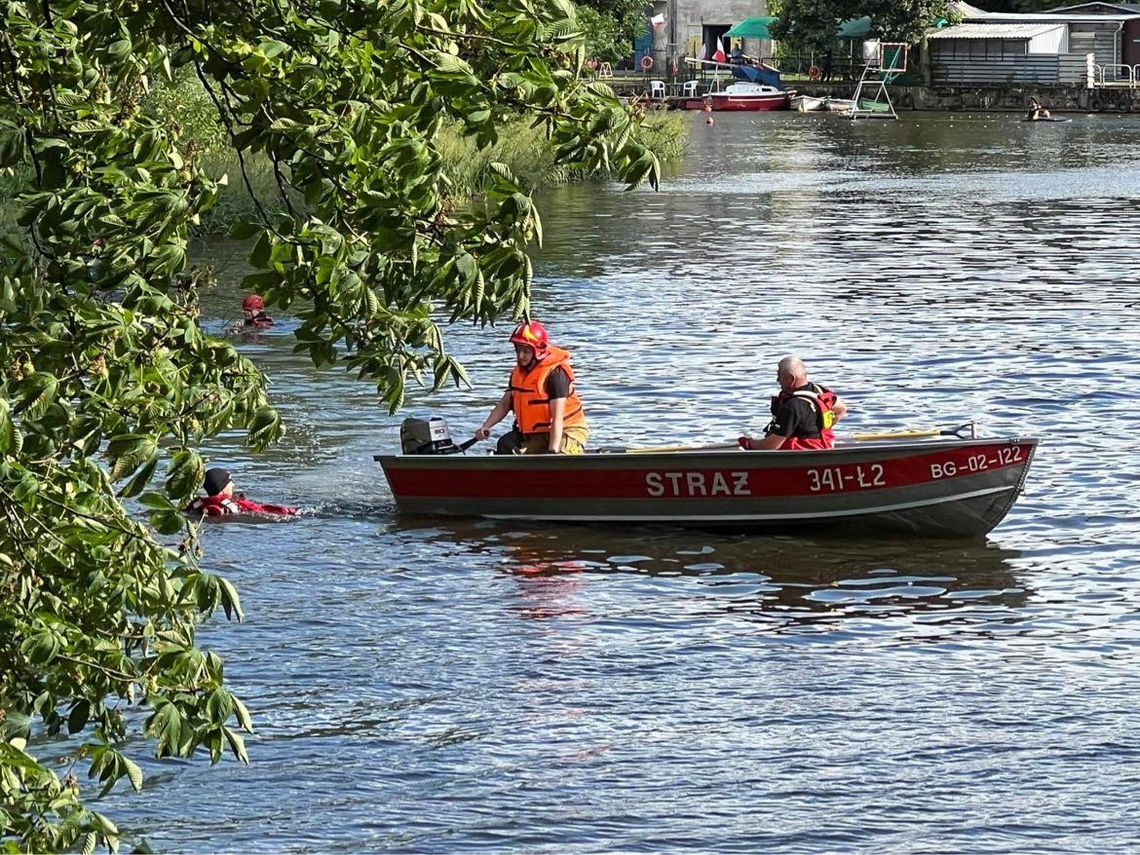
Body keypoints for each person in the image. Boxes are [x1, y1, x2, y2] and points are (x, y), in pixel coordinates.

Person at [474, 319, 589, 455]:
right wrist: (486, 426)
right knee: (505, 445)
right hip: (535, 434)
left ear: (537, 351)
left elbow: (557, 418)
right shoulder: (518, 374)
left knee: (561, 455)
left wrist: (553, 452)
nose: (520, 356)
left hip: (567, 430)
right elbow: (504, 404)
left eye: (525, 351)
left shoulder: (556, 374)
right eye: (518, 350)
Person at [739, 355, 848, 450]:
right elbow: (841, 409)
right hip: (824, 446)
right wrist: (820, 427)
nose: (777, 380)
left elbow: (771, 445)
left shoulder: (791, 406)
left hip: (802, 454)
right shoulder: (820, 391)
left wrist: (748, 443)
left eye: (779, 376)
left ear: (791, 379)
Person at [186, 467, 298, 517]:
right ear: (223, 487)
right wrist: (290, 511)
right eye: (230, 482)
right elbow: (260, 509)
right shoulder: (235, 503)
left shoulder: (197, 503)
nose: (233, 485)